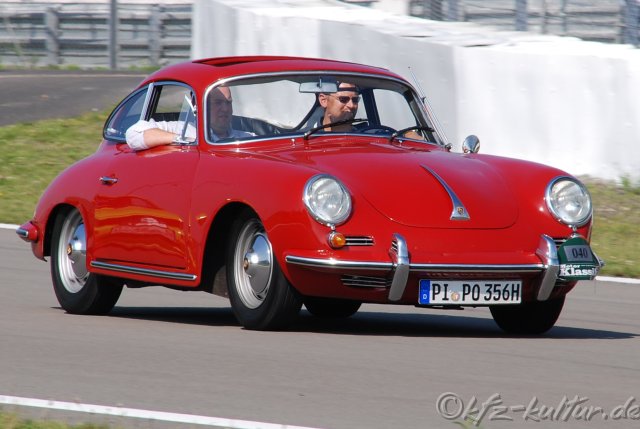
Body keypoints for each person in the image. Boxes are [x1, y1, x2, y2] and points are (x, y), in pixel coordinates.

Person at [125, 86, 253, 151]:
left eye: (228, 103)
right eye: (218, 103)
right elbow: (134, 134)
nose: (225, 109)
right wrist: (181, 140)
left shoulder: (246, 138)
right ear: (198, 104)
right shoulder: (180, 129)